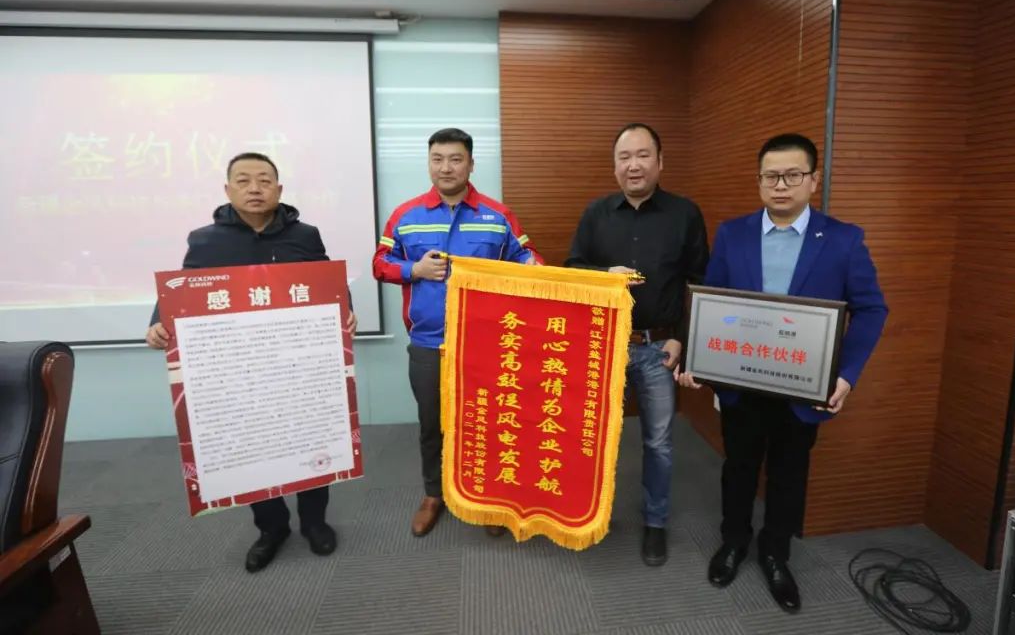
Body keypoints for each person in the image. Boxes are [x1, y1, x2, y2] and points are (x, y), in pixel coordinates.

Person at [676, 133, 887, 612]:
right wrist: (697, 361)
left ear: (814, 180)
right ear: (759, 181)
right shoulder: (733, 234)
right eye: (771, 176)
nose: (781, 185)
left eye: (793, 175)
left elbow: (872, 309)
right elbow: (712, 302)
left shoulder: (843, 239)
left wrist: (846, 375)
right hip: (742, 381)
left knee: (790, 473)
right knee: (738, 467)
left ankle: (775, 553)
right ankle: (734, 542)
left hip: (803, 388)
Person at [146, 152, 356, 573]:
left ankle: (314, 522)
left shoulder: (305, 235)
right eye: (243, 181)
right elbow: (182, 290)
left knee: (311, 438)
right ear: (228, 190)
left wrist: (346, 308)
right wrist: (157, 322)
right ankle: (271, 528)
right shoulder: (206, 240)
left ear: (279, 189)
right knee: (255, 449)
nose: (255, 188)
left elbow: (326, 281)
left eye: (264, 180)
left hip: (297, 364)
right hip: (240, 368)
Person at [372, 127, 541, 537]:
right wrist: (413, 269)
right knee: (432, 424)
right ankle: (434, 493)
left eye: (455, 159)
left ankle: (489, 497)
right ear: (429, 163)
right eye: (438, 159)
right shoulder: (405, 215)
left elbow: (525, 255)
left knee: (488, 421)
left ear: (470, 164)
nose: (445, 167)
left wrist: (532, 264)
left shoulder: (498, 215)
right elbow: (379, 263)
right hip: (428, 344)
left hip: (487, 343)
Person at [566, 123, 709, 567]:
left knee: (659, 442)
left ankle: (655, 522)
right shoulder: (595, 213)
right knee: (596, 437)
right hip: (603, 344)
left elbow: (700, 282)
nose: (633, 165)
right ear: (614, 166)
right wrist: (601, 276)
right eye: (624, 157)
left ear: (660, 162)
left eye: (643, 155)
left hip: (659, 347)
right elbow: (572, 268)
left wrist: (682, 337)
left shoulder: (685, 214)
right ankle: (592, 514)